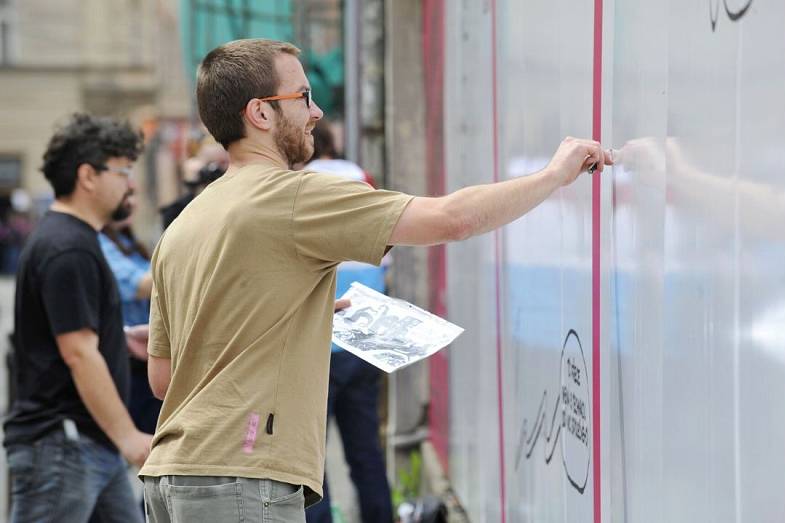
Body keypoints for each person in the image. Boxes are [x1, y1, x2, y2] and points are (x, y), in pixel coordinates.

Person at [140, 38, 611, 523]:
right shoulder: (291, 197)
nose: (317, 111)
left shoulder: (184, 226)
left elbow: (164, 378)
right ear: (260, 112)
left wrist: (296, 321)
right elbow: (451, 220)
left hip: (172, 474)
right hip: (241, 470)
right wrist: (555, 175)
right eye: (302, 97)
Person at [4, 113, 153, 522]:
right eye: (123, 171)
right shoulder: (69, 247)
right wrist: (128, 438)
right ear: (88, 175)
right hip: (63, 445)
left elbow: (69, 336)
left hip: (85, 443)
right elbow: (78, 354)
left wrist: (118, 339)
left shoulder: (74, 240)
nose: (131, 183)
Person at [304, 120, 394, 523]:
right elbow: (387, 256)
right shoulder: (363, 180)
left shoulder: (296, 186)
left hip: (319, 341)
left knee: (310, 456)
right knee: (365, 449)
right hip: (368, 336)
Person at [99, 190, 162, 434]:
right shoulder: (100, 243)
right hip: (128, 358)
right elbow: (138, 285)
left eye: (134, 194)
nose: (132, 202)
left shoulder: (126, 242)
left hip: (143, 351)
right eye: (125, 193)